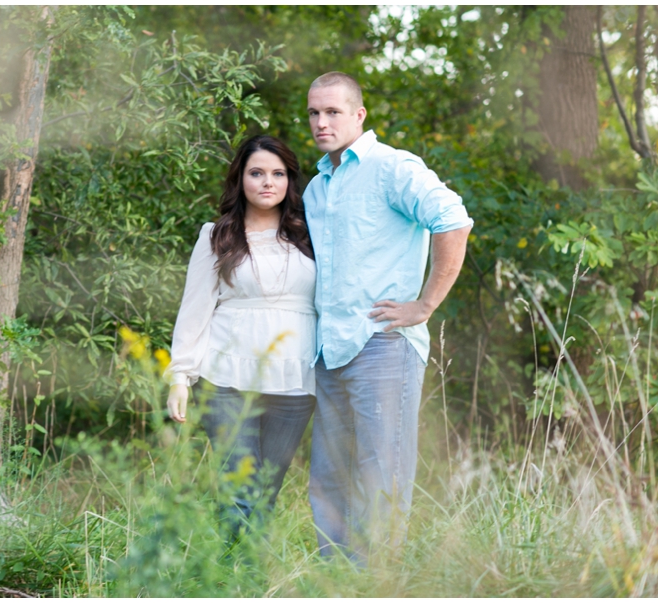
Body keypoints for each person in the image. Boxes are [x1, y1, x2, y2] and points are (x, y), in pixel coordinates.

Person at [303, 71, 473, 562]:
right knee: (330, 474)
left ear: (359, 115)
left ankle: (377, 583)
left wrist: (425, 304)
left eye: (333, 112)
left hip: (383, 343)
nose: (321, 121)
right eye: (314, 113)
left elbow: (453, 219)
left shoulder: (391, 167)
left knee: (382, 473)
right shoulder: (317, 187)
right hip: (329, 349)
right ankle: (334, 581)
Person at [164, 135, 317, 538]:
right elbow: (194, 309)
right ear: (240, 179)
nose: (268, 182)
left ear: (289, 181)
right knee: (239, 493)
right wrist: (181, 377)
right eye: (257, 173)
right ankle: (233, 580)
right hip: (227, 380)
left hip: (294, 381)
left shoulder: (311, 237)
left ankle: (250, 579)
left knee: (265, 492)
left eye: (278, 173)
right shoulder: (217, 236)